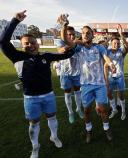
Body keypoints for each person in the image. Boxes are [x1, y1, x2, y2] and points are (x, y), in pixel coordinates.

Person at [0, 11, 76, 158]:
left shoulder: (45, 56)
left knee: (52, 117)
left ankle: (54, 136)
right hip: (30, 98)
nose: (30, 45)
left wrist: (70, 46)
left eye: (33, 42)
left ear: (37, 43)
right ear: (22, 46)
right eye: (26, 44)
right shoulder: (17, 57)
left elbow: (67, 54)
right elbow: (3, 42)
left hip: (48, 95)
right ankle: (35, 146)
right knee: (34, 123)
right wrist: (15, 20)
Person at [59, 14, 116, 142]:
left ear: (92, 35)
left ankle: (106, 129)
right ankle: (89, 130)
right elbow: (65, 39)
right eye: (83, 33)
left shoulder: (99, 47)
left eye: (88, 33)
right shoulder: (79, 48)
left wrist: (111, 64)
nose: (85, 34)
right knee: (87, 111)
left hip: (100, 84)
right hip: (85, 85)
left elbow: (106, 58)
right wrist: (64, 26)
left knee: (103, 109)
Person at [57, 26, 84, 124]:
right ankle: (70, 112)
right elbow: (60, 50)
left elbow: (81, 45)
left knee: (78, 92)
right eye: (69, 34)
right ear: (65, 35)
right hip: (65, 73)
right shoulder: (61, 42)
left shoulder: (78, 44)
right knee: (67, 94)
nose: (72, 36)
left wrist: (76, 43)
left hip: (77, 72)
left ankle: (79, 109)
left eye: (73, 34)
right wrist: (67, 47)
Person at [104, 24, 128, 120]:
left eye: (118, 43)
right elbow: (101, 47)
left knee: (121, 95)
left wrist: (121, 35)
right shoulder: (107, 52)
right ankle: (114, 109)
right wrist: (108, 39)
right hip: (110, 77)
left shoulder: (121, 52)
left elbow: (126, 46)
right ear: (111, 43)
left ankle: (123, 111)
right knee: (109, 94)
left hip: (120, 77)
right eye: (115, 43)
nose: (117, 45)